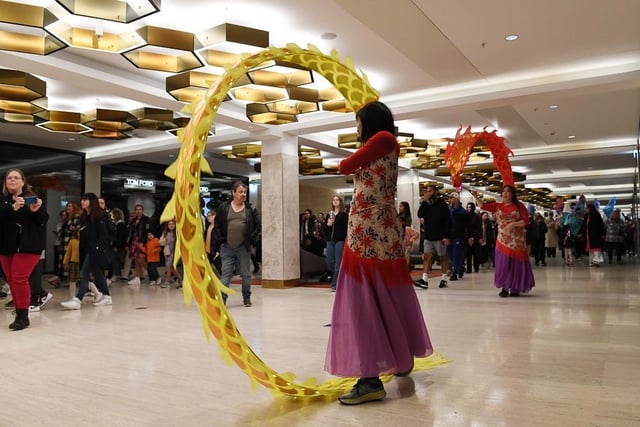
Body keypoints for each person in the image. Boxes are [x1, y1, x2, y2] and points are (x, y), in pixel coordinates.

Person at [325, 101, 433, 405]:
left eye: (358, 122)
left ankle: (370, 379)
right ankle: (401, 356)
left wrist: (353, 158)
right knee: (384, 298)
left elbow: (345, 166)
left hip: (369, 234)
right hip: (372, 231)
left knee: (365, 303)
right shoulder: (383, 144)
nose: (356, 128)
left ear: (369, 122)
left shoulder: (383, 139)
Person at [0, 168, 49, 330]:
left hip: (28, 245)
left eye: (16, 178)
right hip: (6, 246)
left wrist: (36, 211)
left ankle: (23, 315)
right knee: (12, 279)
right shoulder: (3, 201)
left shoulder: (30, 198)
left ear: (23, 181)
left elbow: (42, 220)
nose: (12, 180)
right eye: (9, 178)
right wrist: (13, 208)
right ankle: (20, 309)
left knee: (19, 277)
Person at [473, 186, 535, 297]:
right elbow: (483, 206)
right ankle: (505, 287)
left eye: (508, 191)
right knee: (503, 263)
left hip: (516, 239)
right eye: (503, 191)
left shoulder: (518, 205)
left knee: (516, 263)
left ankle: (515, 287)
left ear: (512, 194)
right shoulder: (498, 206)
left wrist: (512, 224)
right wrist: (475, 196)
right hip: (502, 239)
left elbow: (526, 220)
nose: (505, 193)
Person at [60, 193, 112, 309]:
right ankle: (107, 296)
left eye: (85, 200)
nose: (82, 202)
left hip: (96, 250)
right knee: (98, 274)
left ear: (91, 201)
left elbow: (103, 235)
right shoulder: (84, 217)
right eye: (82, 200)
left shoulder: (99, 216)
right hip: (88, 249)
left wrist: (99, 249)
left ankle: (78, 299)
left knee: (84, 273)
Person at [214, 181, 261, 307]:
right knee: (225, 276)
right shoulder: (224, 208)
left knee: (246, 275)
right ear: (233, 193)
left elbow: (257, 226)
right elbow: (217, 225)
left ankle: (246, 297)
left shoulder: (250, 209)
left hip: (243, 248)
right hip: (227, 247)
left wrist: (252, 240)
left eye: (244, 192)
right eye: (240, 192)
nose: (243, 194)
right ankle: (222, 300)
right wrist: (220, 241)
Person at [415, 184, 451, 289]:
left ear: (435, 192)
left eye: (430, 191)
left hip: (440, 236)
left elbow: (447, 221)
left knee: (442, 257)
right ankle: (424, 279)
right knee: (427, 257)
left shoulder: (442, 204)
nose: (428, 193)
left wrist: (446, 236)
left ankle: (444, 279)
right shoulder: (427, 204)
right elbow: (419, 214)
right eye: (427, 191)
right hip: (428, 235)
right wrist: (424, 202)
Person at [323, 195, 348, 291]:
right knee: (330, 262)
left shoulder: (344, 215)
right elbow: (324, 230)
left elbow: (346, 229)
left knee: (338, 263)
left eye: (337, 200)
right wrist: (328, 224)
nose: (335, 201)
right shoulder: (329, 214)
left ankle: (335, 284)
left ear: (340, 202)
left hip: (340, 241)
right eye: (333, 200)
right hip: (330, 241)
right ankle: (340, 280)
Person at [126, 204, 150, 285]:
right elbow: (130, 232)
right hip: (134, 242)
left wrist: (143, 241)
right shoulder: (133, 220)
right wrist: (128, 243)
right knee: (136, 260)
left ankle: (153, 274)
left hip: (141, 242)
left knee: (140, 259)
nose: (138, 211)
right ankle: (137, 277)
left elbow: (147, 232)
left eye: (140, 209)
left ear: (142, 210)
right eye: (137, 209)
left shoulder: (146, 219)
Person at [447, 192, 468, 281]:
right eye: (450, 198)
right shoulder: (448, 210)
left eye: (452, 198)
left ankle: (455, 272)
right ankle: (461, 267)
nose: (450, 199)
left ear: (457, 199)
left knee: (457, 254)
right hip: (449, 235)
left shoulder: (463, 211)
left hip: (459, 235)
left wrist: (468, 236)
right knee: (450, 254)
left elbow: (466, 225)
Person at [159, 219, 182, 288]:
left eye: (173, 224)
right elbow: (160, 242)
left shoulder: (177, 233)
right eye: (170, 224)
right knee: (170, 266)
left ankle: (168, 281)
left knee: (169, 266)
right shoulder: (165, 233)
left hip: (175, 252)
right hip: (168, 252)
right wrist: (165, 240)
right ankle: (179, 278)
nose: (171, 225)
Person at [204, 211, 222, 276]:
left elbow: (220, 240)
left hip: (215, 251)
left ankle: (223, 282)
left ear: (214, 216)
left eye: (209, 216)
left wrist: (218, 251)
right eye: (207, 216)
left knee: (218, 268)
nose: (207, 217)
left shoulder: (218, 227)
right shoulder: (208, 226)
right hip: (208, 251)